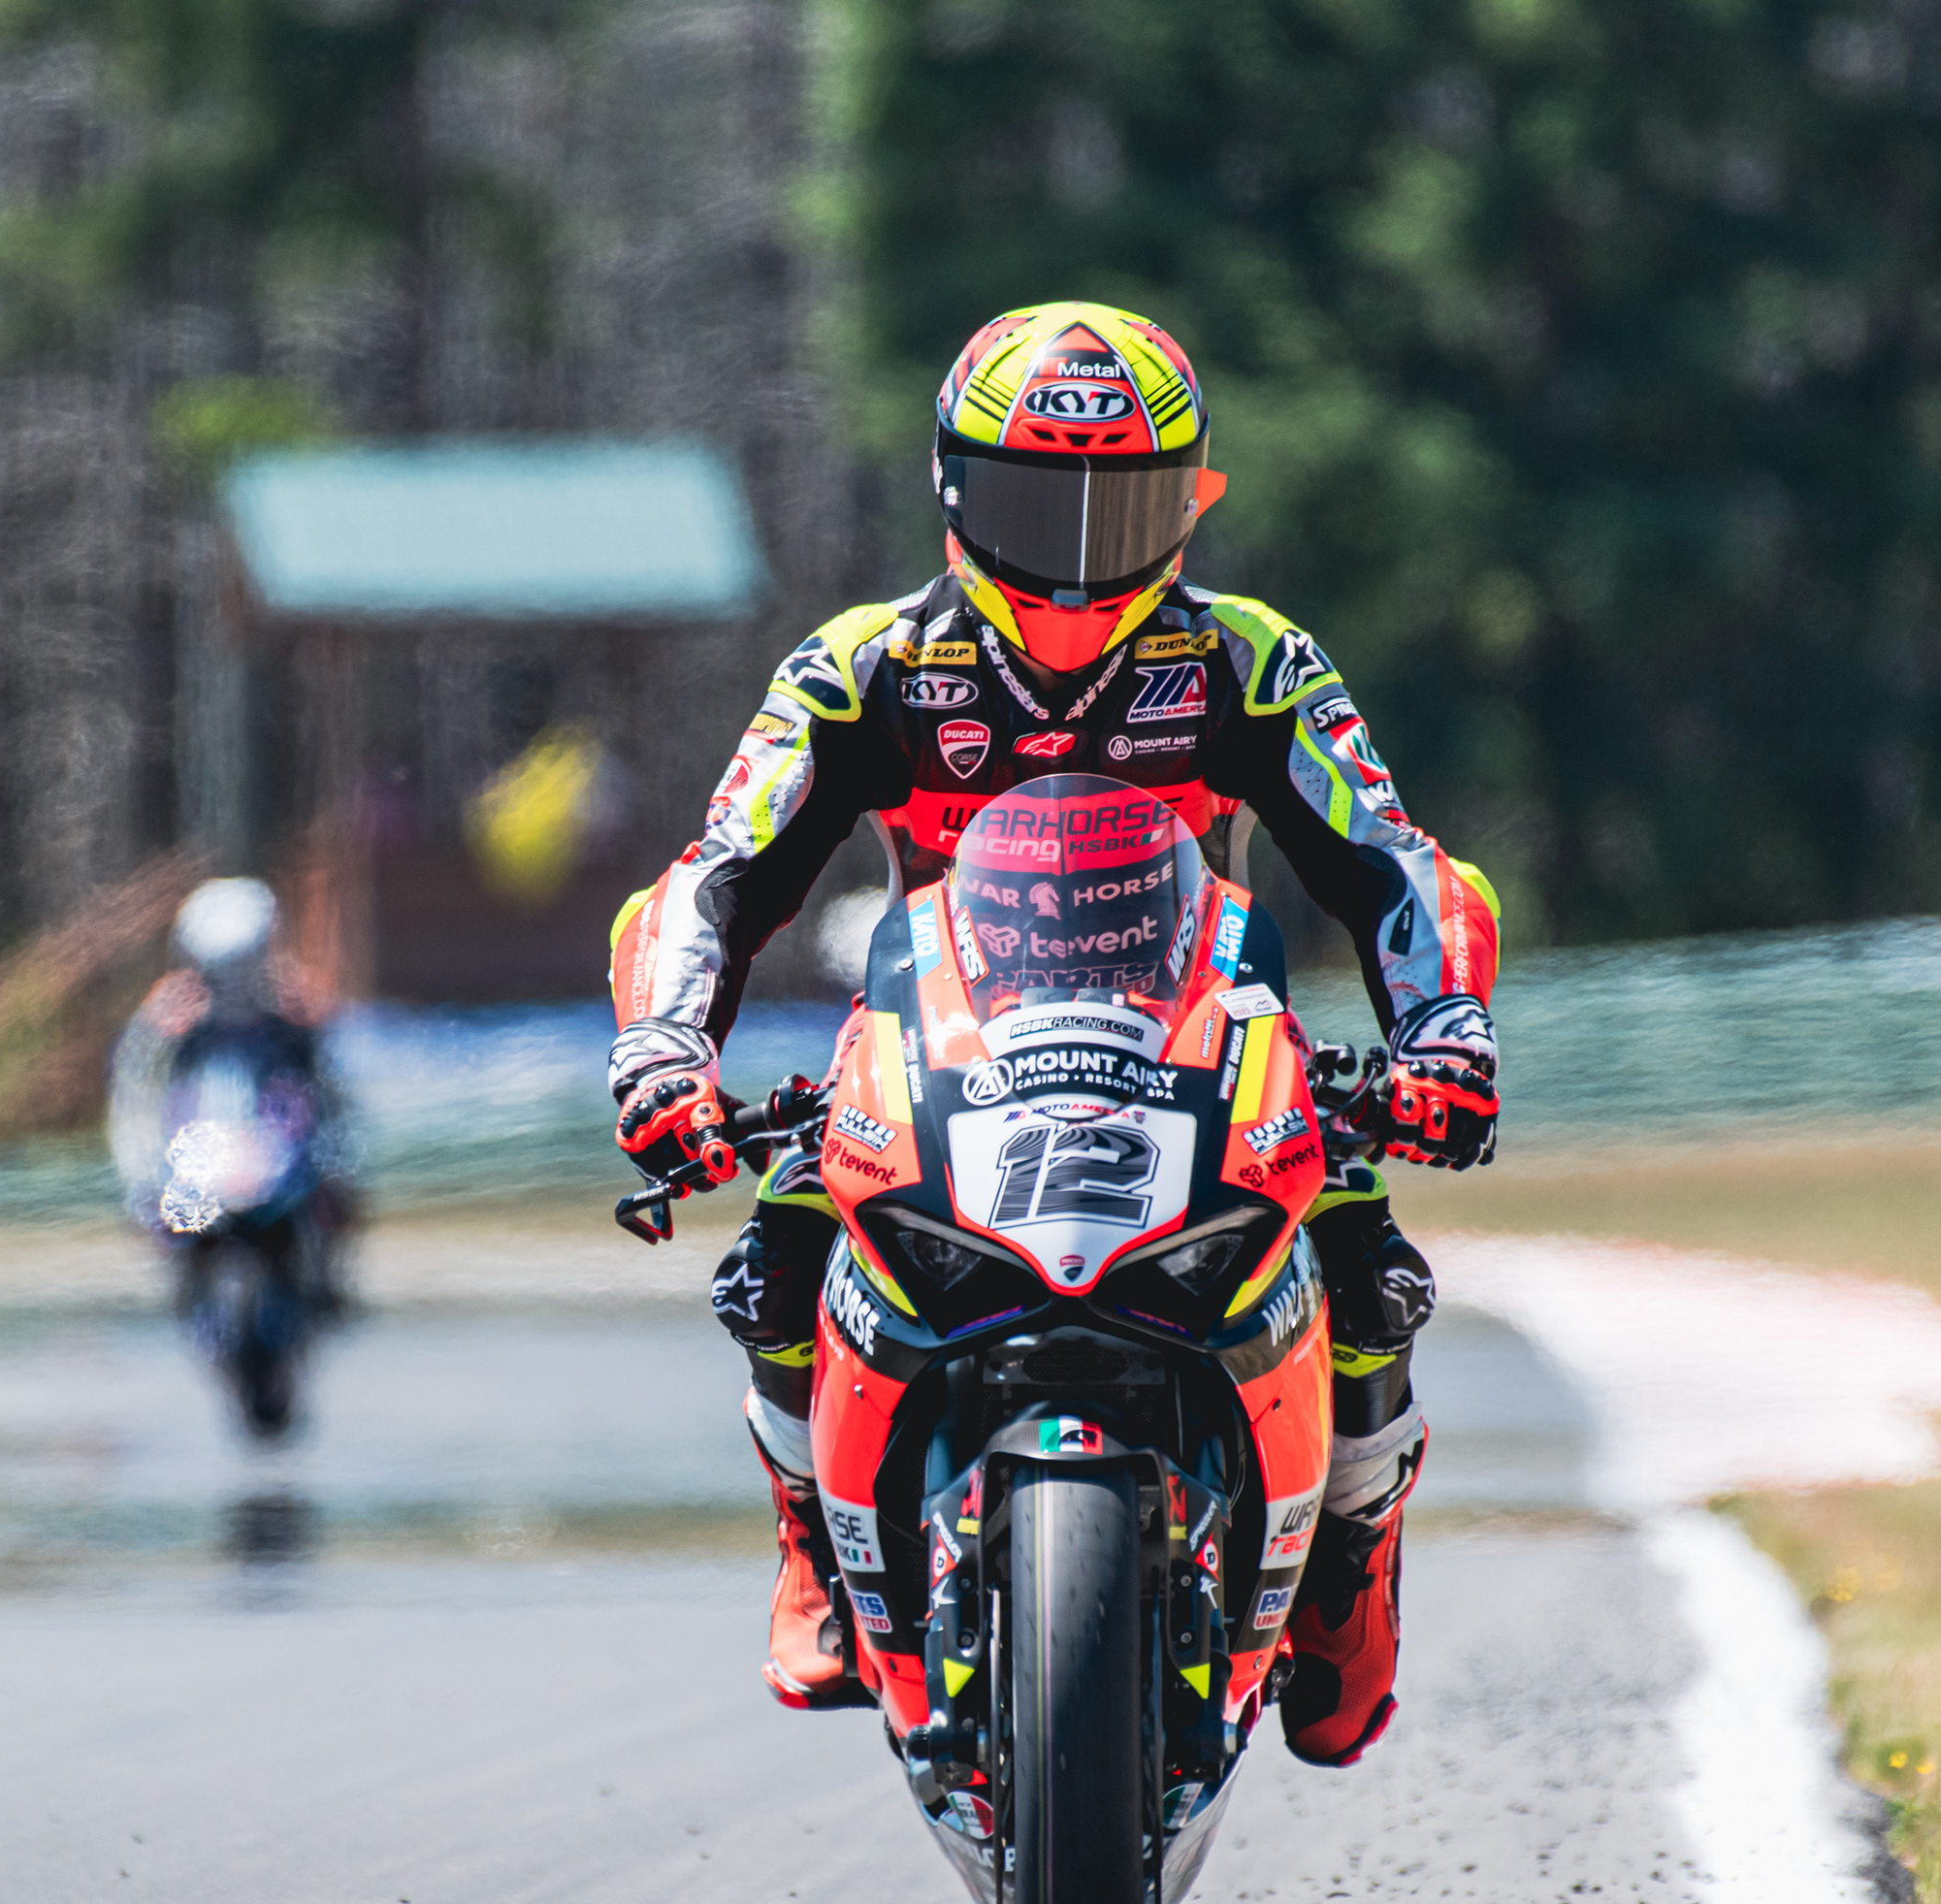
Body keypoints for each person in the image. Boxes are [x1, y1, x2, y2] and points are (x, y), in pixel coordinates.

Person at [603, 302, 1500, 1768]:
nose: (1081, 557)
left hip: (1206, 1041)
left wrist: (1444, 1029)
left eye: (1122, 507)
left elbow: (1391, 860)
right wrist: (663, 1050)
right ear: (956, 495)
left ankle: (1346, 1561)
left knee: (1367, 1268)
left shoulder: (1252, 659)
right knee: (776, 1254)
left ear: (1189, 503)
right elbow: (718, 874)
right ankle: (816, 1539)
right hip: (938, 1045)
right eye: (1039, 505)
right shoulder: (864, 664)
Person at [112, 876, 354, 1291]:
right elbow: (134, 1098)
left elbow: (334, 1087)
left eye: (244, 964)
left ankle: (322, 1282)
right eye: (221, 968)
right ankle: (189, 1280)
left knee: (326, 1206)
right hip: (202, 1156)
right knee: (170, 1216)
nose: (232, 981)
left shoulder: (296, 1006)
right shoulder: (169, 1016)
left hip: (278, 1154)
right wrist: (142, 1180)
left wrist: (338, 1167)